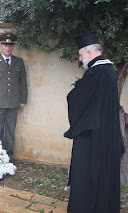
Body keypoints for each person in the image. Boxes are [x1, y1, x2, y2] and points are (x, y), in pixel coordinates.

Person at [64, 32, 122, 213]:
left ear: (89, 52)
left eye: (81, 55)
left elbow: (75, 98)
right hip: (106, 135)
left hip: (92, 136)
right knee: (103, 177)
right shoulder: (109, 71)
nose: (81, 59)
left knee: (88, 175)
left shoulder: (97, 72)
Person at [0, 33, 28, 161]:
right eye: (5, 45)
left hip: (13, 102)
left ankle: (9, 156)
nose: (7, 48)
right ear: (0, 46)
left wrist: (23, 100)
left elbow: (23, 82)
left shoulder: (19, 61)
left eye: (10, 45)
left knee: (10, 131)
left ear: (13, 47)